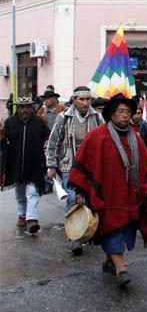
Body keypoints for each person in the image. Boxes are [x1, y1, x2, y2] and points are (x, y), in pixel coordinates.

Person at [68, 93, 147, 288]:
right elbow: (83, 164)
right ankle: (121, 269)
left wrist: (146, 187)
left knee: (123, 230)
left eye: (128, 112)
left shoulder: (136, 139)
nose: (125, 115)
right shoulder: (97, 137)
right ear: (111, 114)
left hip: (130, 197)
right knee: (112, 228)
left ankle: (109, 259)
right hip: (107, 197)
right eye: (120, 112)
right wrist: (81, 192)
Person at [46, 86, 104, 255]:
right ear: (74, 100)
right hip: (68, 166)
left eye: (88, 99)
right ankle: (74, 238)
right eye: (81, 99)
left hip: (91, 167)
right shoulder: (63, 117)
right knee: (72, 200)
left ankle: (88, 231)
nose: (85, 103)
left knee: (89, 200)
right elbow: (53, 143)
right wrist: (51, 165)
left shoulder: (98, 117)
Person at [1, 97, 50, 235]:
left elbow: (47, 139)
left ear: (31, 108)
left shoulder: (39, 122)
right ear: (17, 108)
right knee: (20, 193)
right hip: (15, 164)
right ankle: (22, 215)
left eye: (28, 107)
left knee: (32, 191)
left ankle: (32, 219)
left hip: (34, 163)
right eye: (22, 107)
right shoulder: (10, 122)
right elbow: (3, 141)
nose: (25, 110)